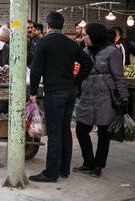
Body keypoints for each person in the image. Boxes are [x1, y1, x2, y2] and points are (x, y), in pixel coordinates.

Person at [29, 12, 93, 182]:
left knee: (55, 133)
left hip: (54, 93)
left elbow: (35, 70)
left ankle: (51, 173)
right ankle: (64, 169)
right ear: (63, 26)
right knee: (65, 130)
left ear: (47, 26)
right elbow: (88, 63)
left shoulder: (43, 42)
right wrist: (76, 80)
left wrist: (33, 93)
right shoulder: (70, 43)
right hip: (69, 92)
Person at [74, 23, 129, 178]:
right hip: (87, 96)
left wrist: (124, 98)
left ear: (95, 36)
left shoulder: (112, 52)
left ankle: (98, 165)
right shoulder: (84, 51)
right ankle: (88, 162)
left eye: (86, 35)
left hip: (105, 98)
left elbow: (119, 77)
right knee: (81, 129)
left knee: (104, 133)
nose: (83, 38)